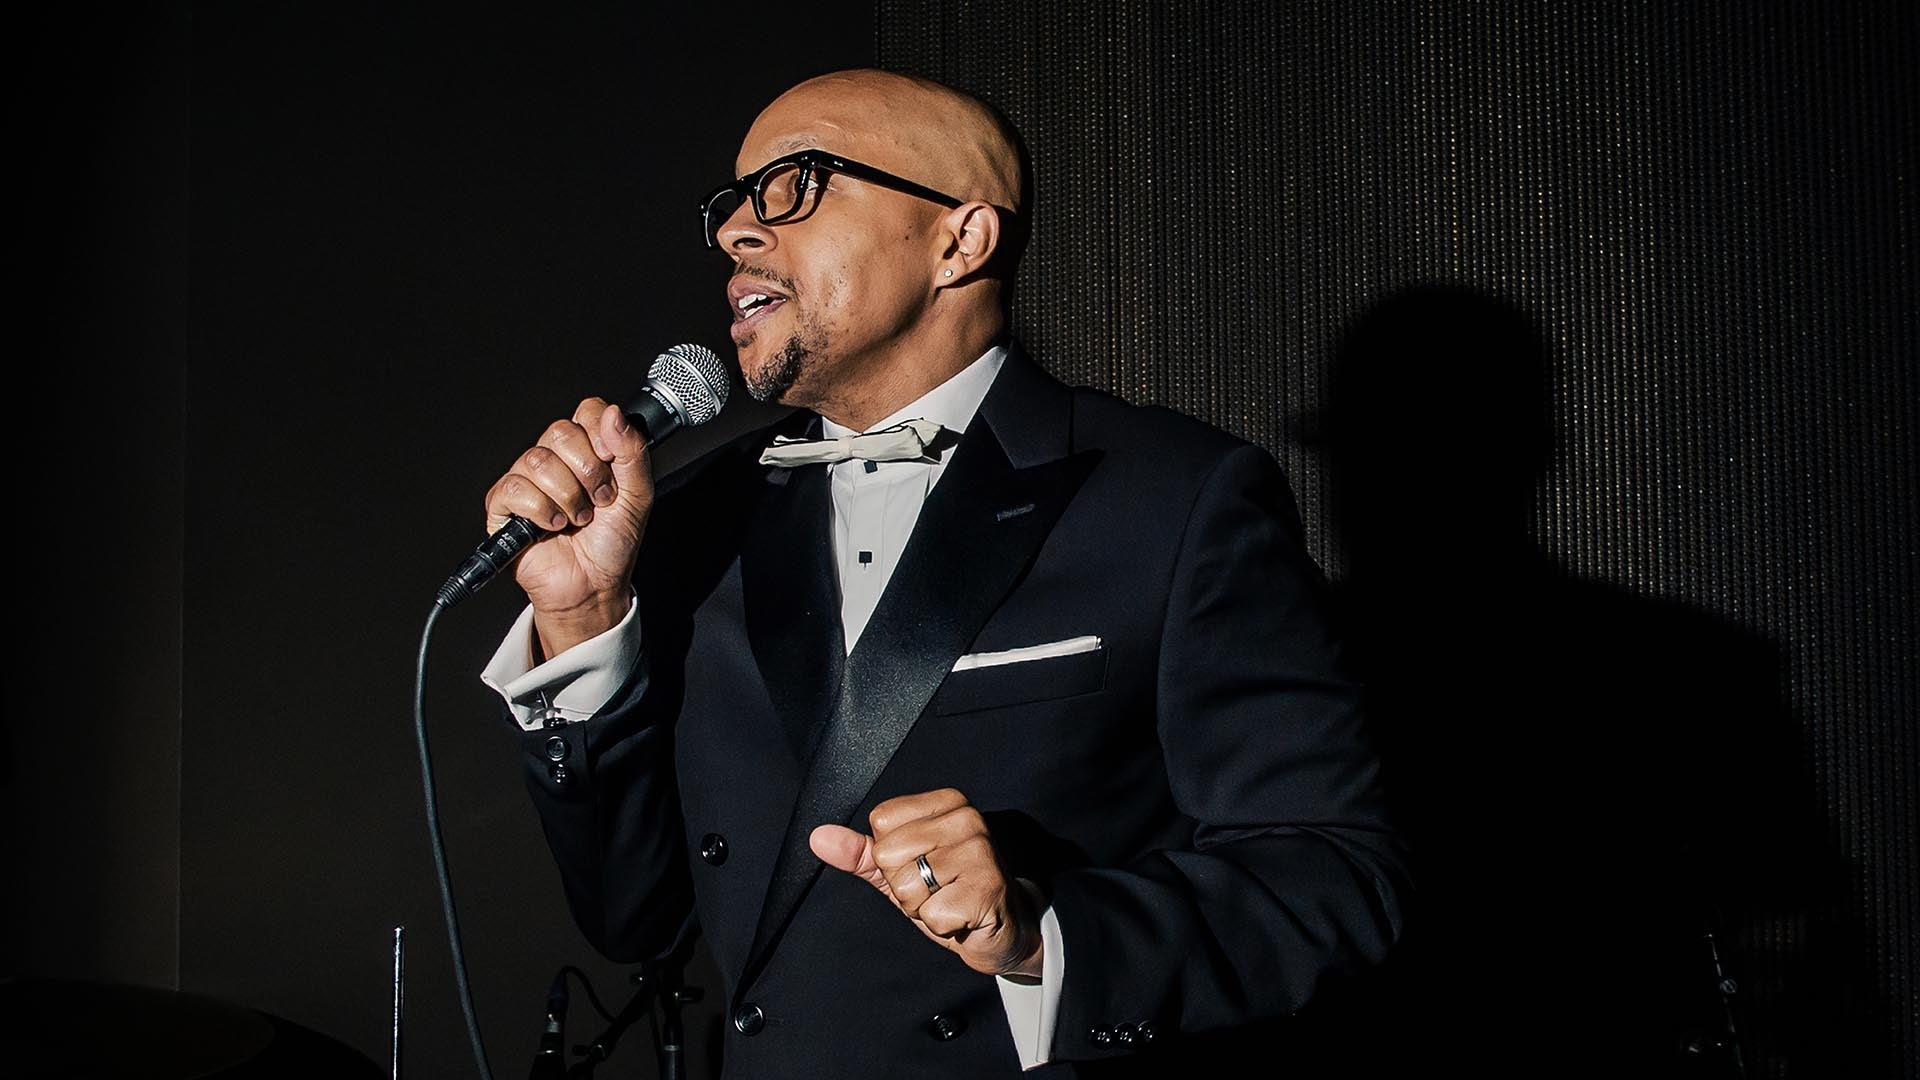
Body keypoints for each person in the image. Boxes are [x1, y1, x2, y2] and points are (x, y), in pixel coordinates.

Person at [479, 68, 1407, 1077]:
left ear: (961, 239)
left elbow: (1336, 878)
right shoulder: (691, 520)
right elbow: (633, 919)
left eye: (795, 184)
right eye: (733, 204)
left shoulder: (1178, 500)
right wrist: (584, 624)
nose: (738, 231)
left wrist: (1045, 934)